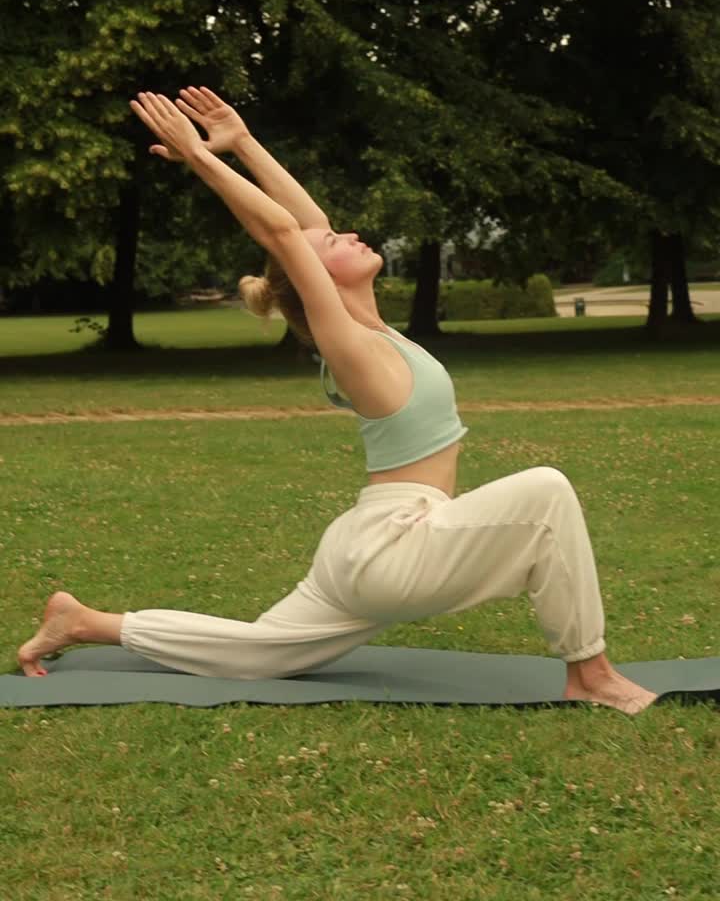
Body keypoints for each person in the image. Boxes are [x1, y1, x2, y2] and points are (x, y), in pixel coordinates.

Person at [19, 87, 656, 714]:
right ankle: (590, 672)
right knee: (547, 492)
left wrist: (242, 142)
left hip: (366, 539)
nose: (343, 232)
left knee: (260, 654)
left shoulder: (372, 332)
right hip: (396, 544)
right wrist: (200, 159)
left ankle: (86, 621)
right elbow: (282, 233)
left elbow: (304, 226)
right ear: (312, 276)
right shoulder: (350, 345)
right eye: (329, 246)